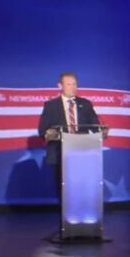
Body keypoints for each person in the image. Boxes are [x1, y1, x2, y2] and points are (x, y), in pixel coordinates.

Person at [37, 72, 104, 202]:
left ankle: (82, 213)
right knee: (63, 189)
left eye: (74, 84)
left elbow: (96, 127)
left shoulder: (86, 104)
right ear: (59, 86)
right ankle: (66, 217)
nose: (72, 87)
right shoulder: (51, 105)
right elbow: (42, 130)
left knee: (81, 187)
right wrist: (49, 134)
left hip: (82, 153)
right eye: (68, 84)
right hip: (60, 152)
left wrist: (103, 131)